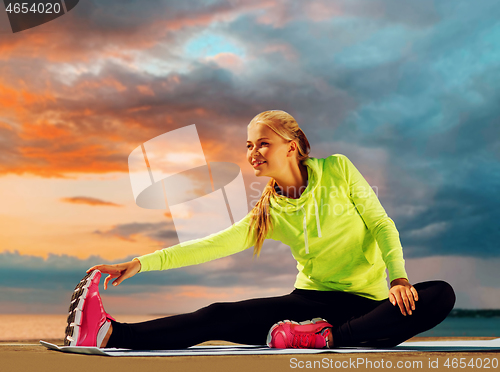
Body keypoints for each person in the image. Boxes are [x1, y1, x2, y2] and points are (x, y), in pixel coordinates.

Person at [64, 110, 455, 350]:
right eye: (249, 145)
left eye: (263, 143)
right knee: (216, 314)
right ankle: (111, 335)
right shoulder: (268, 211)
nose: (253, 153)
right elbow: (212, 245)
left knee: (439, 294)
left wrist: (399, 277)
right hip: (307, 308)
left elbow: (380, 222)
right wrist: (139, 263)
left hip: (365, 307)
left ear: (291, 145)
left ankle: (329, 338)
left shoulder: (338, 169)